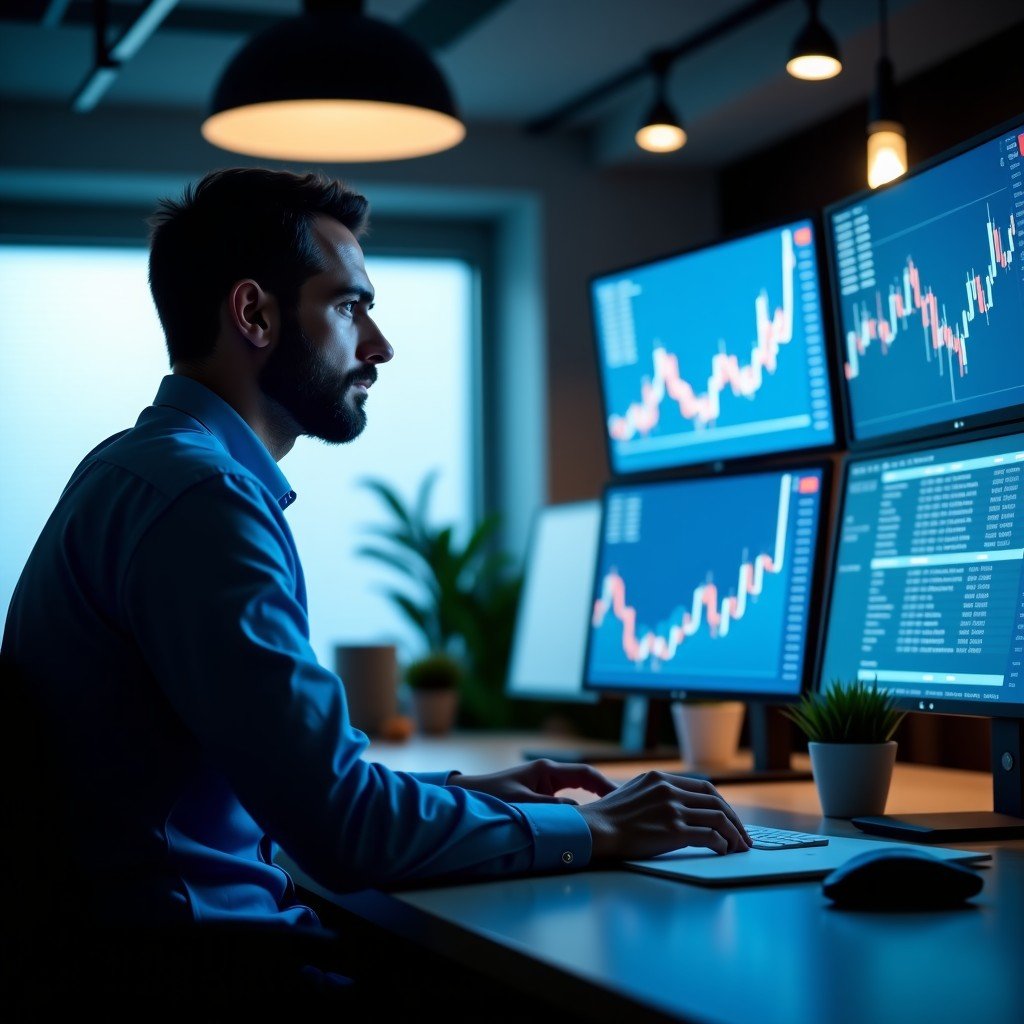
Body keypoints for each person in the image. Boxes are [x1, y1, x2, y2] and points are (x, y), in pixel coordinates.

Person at [2, 168, 750, 1009]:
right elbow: (341, 827)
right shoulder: (203, 501)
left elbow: (301, 786)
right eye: (350, 306)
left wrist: (463, 796)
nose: (380, 345)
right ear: (254, 314)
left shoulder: (137, 472)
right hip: (213, 974)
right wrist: (595, 826)